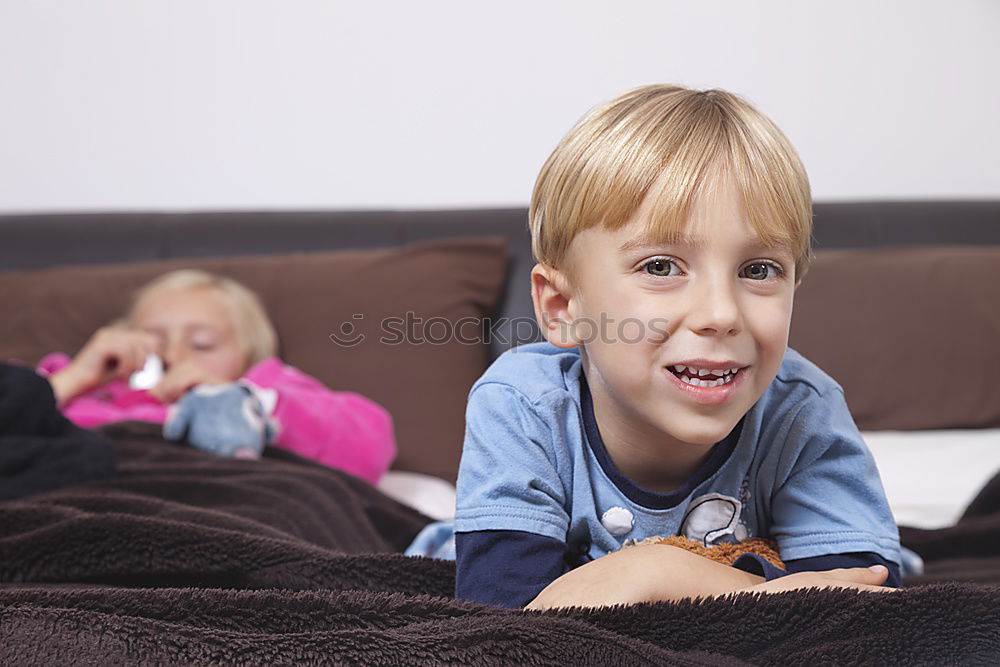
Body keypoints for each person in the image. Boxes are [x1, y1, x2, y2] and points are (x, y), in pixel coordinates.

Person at [453, 84, 902, 609]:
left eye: (758, 270)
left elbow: (860, 605)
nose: (720, 314)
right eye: (661, 267)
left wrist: (661, 575)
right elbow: (500, 622)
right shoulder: (521, 406)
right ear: (562, 308)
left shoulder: (801, 411)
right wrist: (661, 568)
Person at [37, 269, 396, 484]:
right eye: (154, 341)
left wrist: (250, 404)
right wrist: (73, 378)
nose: (174, 356)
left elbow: (370, 447)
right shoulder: (84, 391)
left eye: (202, 344)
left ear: (248, 355)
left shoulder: (269, 392)